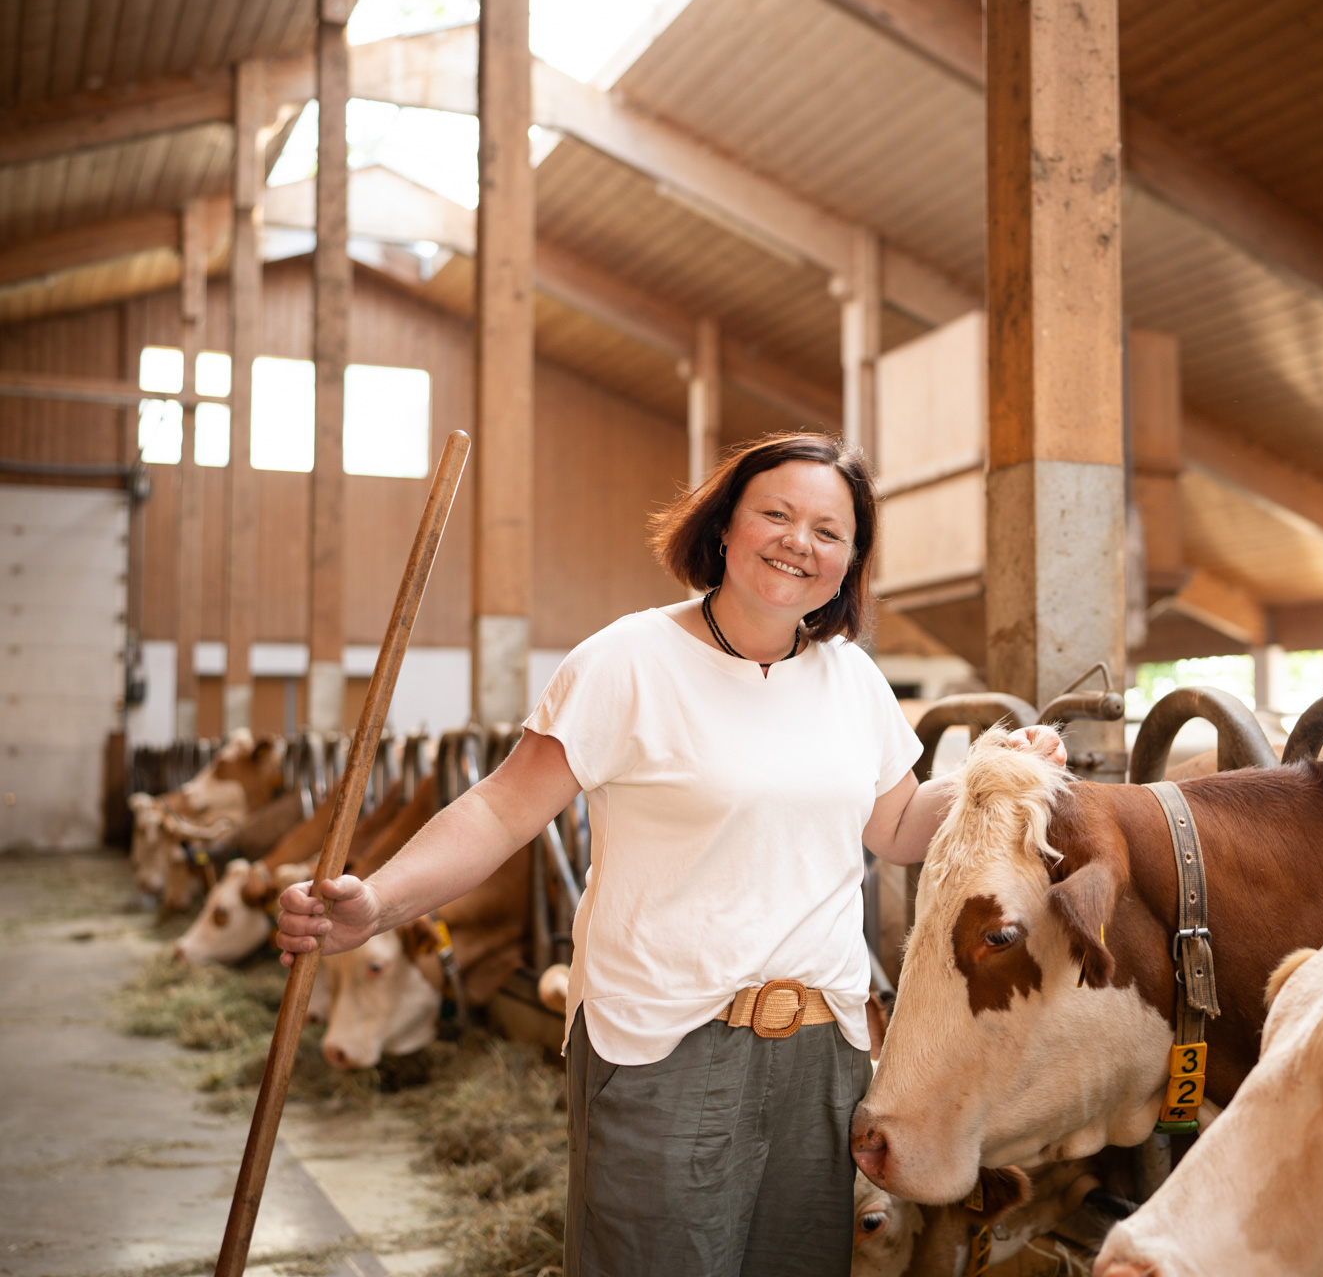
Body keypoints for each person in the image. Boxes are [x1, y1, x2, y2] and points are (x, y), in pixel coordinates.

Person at [275, 431, 1065, 1276]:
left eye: (830, 532)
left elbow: (900, 826)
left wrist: (995, 770)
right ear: (724, 527)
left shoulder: (851, 679)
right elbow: (502, 809)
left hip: (821, 1051)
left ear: (850, 563)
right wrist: (380, 900)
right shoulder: (628, 662)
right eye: (777, 514)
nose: (801, 541)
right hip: (663, 1043)